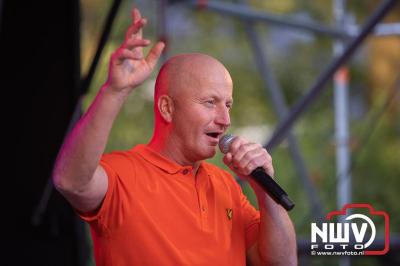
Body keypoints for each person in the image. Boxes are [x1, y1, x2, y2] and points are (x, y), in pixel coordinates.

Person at [53, 8, 297, 266]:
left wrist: (264, 191)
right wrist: (115, 91)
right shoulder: (124, 173)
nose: (225, 119)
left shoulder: (226, 186)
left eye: (228, 105)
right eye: (210, 102)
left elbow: (282, 263)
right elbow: (71, 182)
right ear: (167, 108)